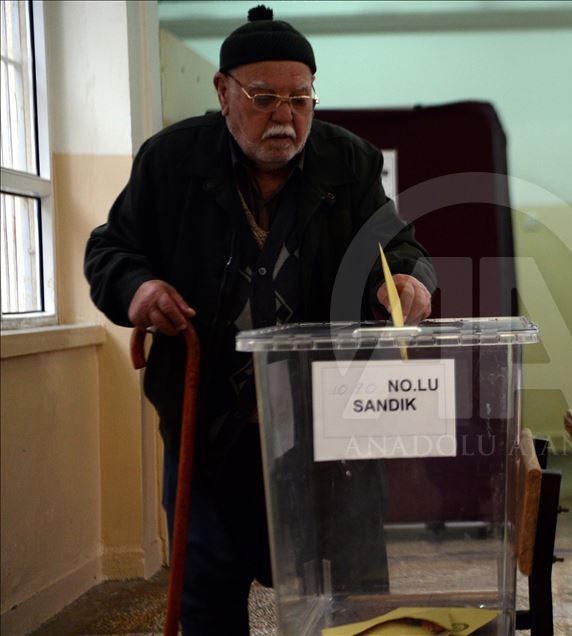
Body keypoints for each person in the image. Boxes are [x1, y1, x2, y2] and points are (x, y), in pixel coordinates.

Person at [84, 6, 435, 632]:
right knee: (207, 599)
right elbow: (111, 251)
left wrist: (410, 282)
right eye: (265, 96)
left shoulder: (347, 162)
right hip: (210, 428)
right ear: (223, 92)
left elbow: (400, 247)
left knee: (350, 603)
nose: (285, 116)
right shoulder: (170, 163)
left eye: (301, 98)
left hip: (333, 431)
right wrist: (137, 291)